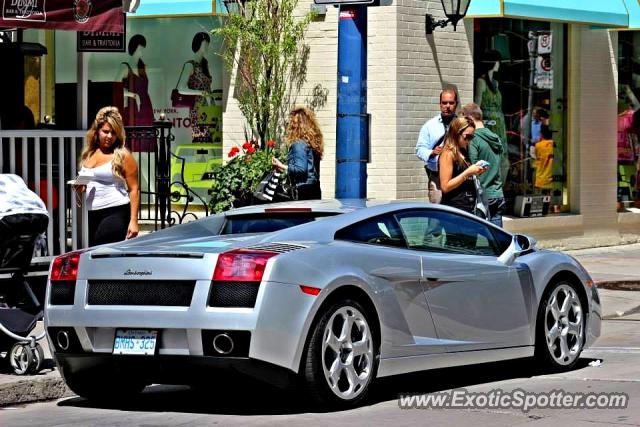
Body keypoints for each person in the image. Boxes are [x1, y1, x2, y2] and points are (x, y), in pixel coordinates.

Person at [74, 107, 139, 247]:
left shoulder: (123, 155)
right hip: (93, 213)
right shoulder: (89, 154)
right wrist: (80, 187)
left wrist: (134, 221)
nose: (109, 136)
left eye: (113, 133)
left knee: (103, 251)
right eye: (105, 132)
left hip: (116, 210)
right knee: (97, 253)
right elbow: (85, 183)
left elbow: (134, 189)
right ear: (97, 131)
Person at [462, 103, 507, 226]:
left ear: (470, 119)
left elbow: (473, 165)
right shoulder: (495, 137)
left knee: (474, 233)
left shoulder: (474, 138)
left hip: (482, 194)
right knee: (498, 238)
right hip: (497, 194)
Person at [416, 88, 458, 203]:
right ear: (440, 104)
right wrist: (432, 153)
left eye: (451, 103)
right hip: (436, 178)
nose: (447, 106)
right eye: (444, 103)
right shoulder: (430, 125)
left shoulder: (461, 123)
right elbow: (419, 149)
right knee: (436, 216)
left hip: (457, 177)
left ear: (456, 104)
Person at [271, 106, 323, 200]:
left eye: (292, 123)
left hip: (302, 191)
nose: (289, 126)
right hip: (314, 189)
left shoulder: (299, 144)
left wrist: (281, 166)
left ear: (297, 126)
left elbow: (301, 169)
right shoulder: (312, 144)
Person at [0, 174, 49, 269]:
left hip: (9, 215)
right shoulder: (18, 186)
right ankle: (22, 266)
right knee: (29, 240)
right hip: (40, 215)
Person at [438, 116, 486, 214]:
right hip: (455, 209)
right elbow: (445, 187)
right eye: (467, 136)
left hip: (468, 207)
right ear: (456, 133)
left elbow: (461, 176)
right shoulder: (448, 154)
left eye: (472, 137)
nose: (469, 140)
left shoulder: (463, 151)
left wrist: (476, 171)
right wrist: (468, 172)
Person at [475, 50, 509, 185]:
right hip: (488, 125)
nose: (499, 64)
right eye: (497, 61)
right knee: (491, 159)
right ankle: (489, 190)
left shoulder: (495, 83)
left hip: (499, 126)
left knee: (504, 161)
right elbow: (477, 106)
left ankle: (499, 189)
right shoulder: (481, 82)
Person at [177, 32, 214, 144]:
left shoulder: (205, 65)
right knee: (202, 141)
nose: (207, 45)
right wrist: (200, 92)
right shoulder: (190, 65)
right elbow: (180, 88)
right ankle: (206, 160)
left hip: (210, 108)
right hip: (198, 108)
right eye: (204, 43)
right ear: (198, 44)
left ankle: (201, 160)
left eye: (208, 43)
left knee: (206, 142)